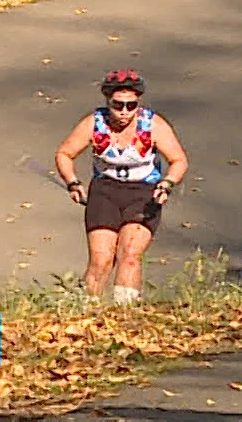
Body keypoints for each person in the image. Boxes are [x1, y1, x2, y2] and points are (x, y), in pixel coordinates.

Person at [53, 69, 189, 306]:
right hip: (105, 193)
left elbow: (179, 160)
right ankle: (86, 312)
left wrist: (167, 184)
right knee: (101, 259)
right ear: (108, 101)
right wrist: (72, 182)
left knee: (129, 256)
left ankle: (125, 314)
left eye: (131, 105)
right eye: (118, 105)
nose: (124, 112)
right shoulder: (94, 123)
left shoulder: (153, 124)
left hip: (144, 194)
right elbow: (65, 153)